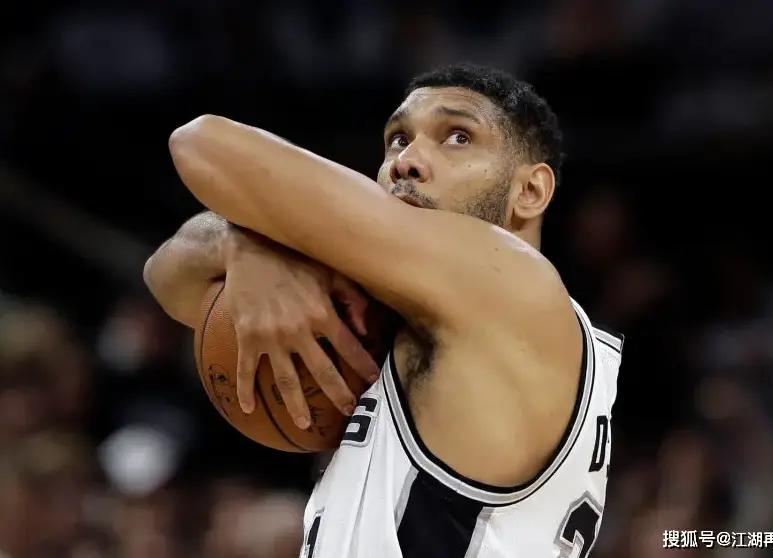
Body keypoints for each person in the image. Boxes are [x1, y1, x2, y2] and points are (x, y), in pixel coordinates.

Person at [145, 64, 624, 557]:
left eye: (458, 137)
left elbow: (202, 144)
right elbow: (168, 280)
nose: (407, 162)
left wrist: (251, 239)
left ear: (530, 192)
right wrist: (236, 245)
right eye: (398, 140)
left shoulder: (514, 285)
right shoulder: (423, 328)